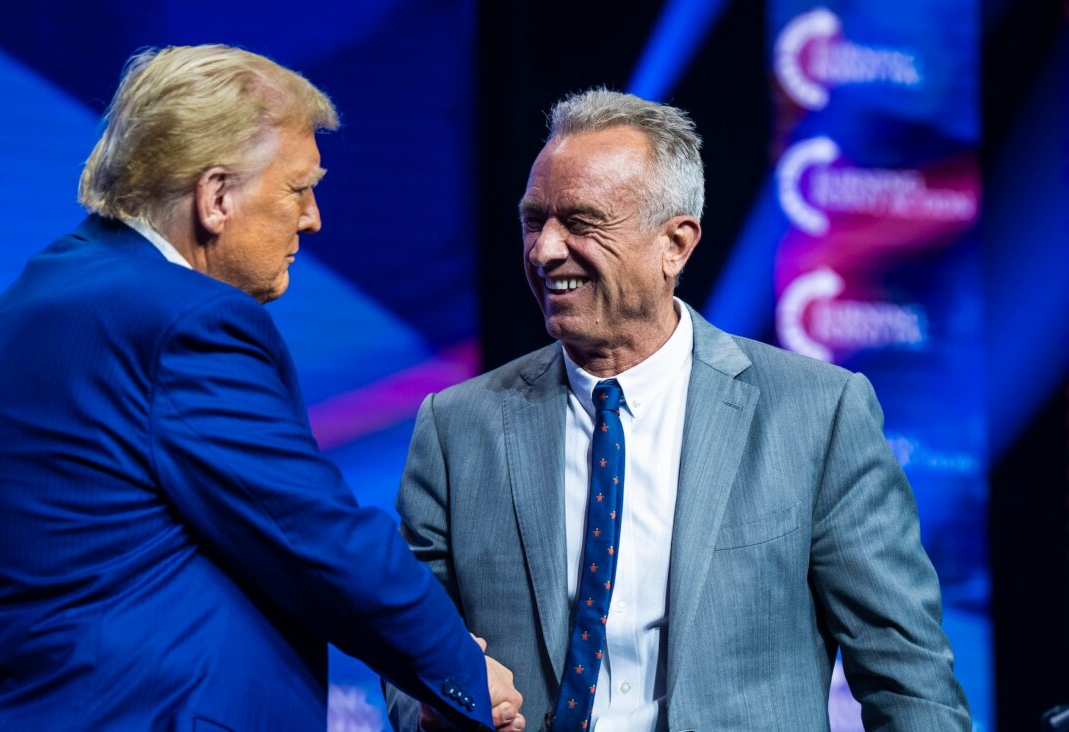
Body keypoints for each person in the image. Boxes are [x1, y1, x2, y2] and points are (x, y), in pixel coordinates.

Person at [0, 44, 524, 731]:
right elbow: (313, 534)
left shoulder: (21, 311)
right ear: (216, 197)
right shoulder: (185, 322)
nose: (313, 217)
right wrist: (461, 671)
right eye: (299, 188)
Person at [385, 90, 970, 731]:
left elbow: (908, 679)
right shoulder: (456, 427)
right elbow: (406, 653)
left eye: (580, 222)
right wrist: (441, 702)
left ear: (676, 244)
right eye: (534, 220)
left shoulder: (816, 414)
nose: (544, 250)